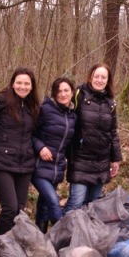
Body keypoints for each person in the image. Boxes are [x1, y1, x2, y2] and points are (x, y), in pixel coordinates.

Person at [64, 63, 122, 212]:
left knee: (93, 204)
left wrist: (116, 159)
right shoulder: (79, 94)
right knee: (76, 203)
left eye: (103, 77)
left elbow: (113, 132)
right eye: (97, 76)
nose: (99, 80)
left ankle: (85, 234)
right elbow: (65, 118)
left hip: (101, 161)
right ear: (90, 77)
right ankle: (62, 232)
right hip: (80, 158)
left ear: (108, 80)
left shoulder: (110, 103)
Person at [0, 67, 40, 235]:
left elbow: (36, 134)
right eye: (19, 83)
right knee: (10, 208)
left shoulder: (33, 107)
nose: (22, 87)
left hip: (25, 164)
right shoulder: (0, 101)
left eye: (27, 83)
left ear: (32, 86)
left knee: (19, 209)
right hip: (1, 163)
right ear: (12, 84)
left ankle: (10, 246)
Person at [31, 77, 77, 233]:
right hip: (39, 166)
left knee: (44, 203)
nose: (63, 94)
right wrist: (41, 147)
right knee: (53, 202)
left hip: (57, 168)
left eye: (66, 91)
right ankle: (63, 234)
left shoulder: (73, 116)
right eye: (59, 91)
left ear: (72, 93)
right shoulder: (45, 109)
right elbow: (30, 133)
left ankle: (41, 235)